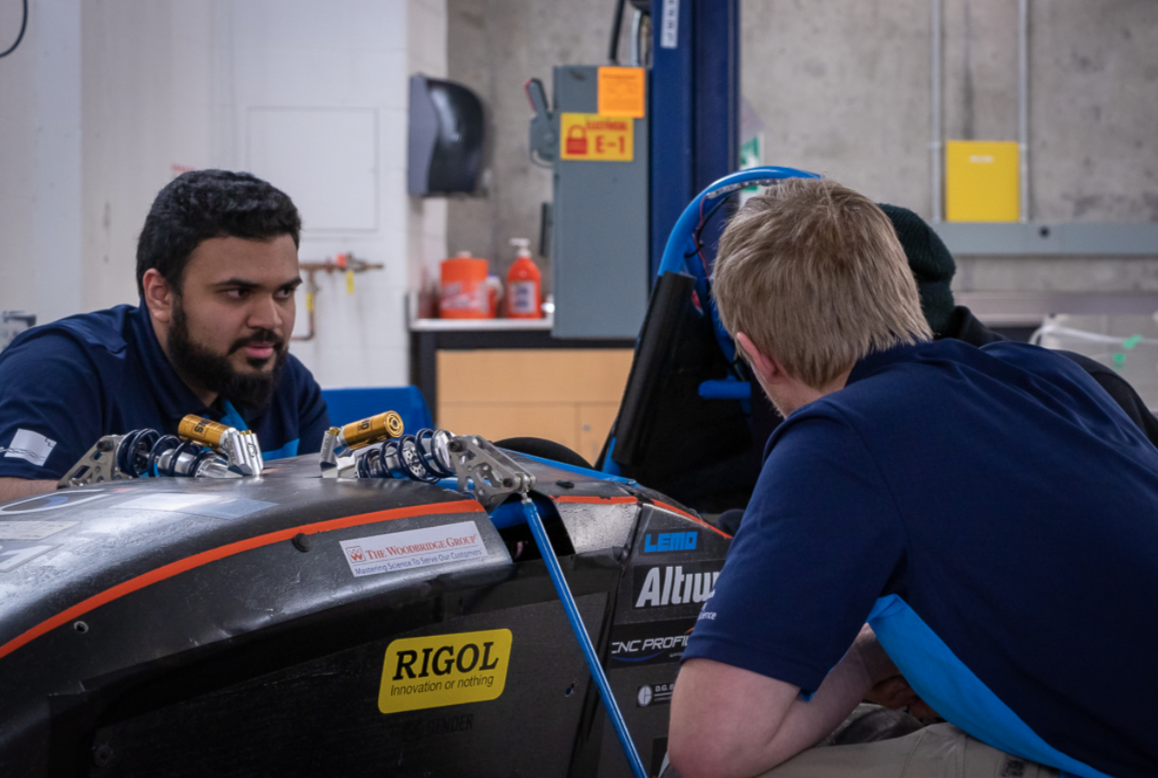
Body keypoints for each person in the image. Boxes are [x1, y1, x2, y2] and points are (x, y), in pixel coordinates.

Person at [667, 178, 1158, 778]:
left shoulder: (840, 438)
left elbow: (709, 749)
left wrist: (867, 663)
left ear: (757, 354)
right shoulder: (1050, 376)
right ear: (901, 289)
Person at [0, 170, 329, 502]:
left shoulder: (285, 382)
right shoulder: (59, 371)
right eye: (238, 292)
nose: (270, 320)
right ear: (161, 294)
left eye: (284, 292)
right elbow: (10, 507)